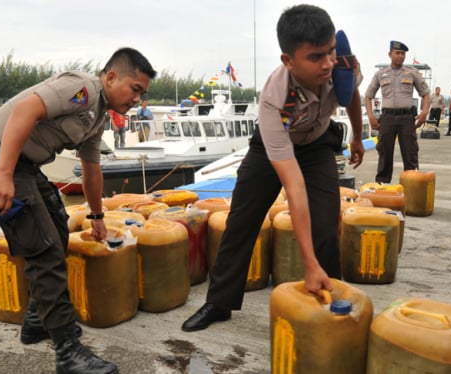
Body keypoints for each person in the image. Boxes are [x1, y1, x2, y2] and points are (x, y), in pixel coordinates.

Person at [0, 47, 156, 373]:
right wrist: (3, 173)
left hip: (26, 167)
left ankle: (38, 321)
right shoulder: (81, 89)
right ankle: (68, 352)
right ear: (111, 77)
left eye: (142, 93)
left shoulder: (98, 115)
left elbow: (91, 169)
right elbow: (25, 110)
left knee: (56, 227)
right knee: (45, 249)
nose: (137, 99)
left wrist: (96, 217)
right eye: (134, 89)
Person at [181, 4, 364, 332]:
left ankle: (330, 299)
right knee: (241, 220)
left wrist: (357, 138)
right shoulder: (274, 99)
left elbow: (351, 96)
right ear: (288, 61)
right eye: (315, 57)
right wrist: (306, 263)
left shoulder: (342, 66)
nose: (327, 64)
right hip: (271, 147)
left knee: (325, 222)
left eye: (330, 52)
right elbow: (293, 188)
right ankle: (218, 302)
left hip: (318, 144)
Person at [364, 40, 430, 183]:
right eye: (397, 53)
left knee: (410, 153)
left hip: (406, 118)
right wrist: (370, 116)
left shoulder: (412, 72)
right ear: (390, 54)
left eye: (403, 54)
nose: (400, 56)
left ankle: (412, 186)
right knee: (384, 153)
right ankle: (382, 185)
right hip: (387, 118)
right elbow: (368, 96)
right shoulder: (380, 74)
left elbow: (425, 93)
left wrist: (424, 112)